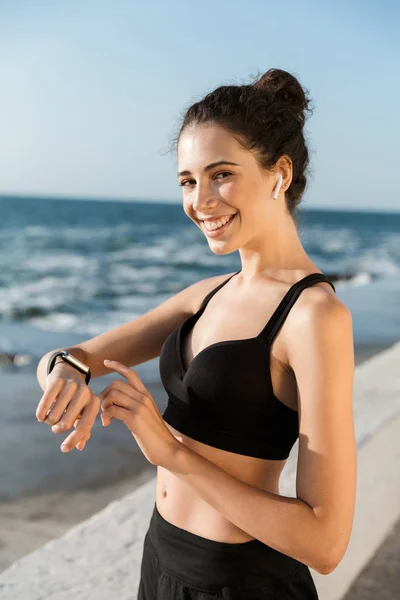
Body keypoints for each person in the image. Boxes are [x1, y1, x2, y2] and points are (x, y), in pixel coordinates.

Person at [36, 68, 356, 599]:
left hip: (240, 584)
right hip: (160, 562)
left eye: (221, 174)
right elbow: (75, 356)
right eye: (188, 180)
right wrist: (66, 377)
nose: (200, 201)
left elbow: (325, 543)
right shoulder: (205, 295)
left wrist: (173, 453)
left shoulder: (315, 316)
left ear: (279, 174)